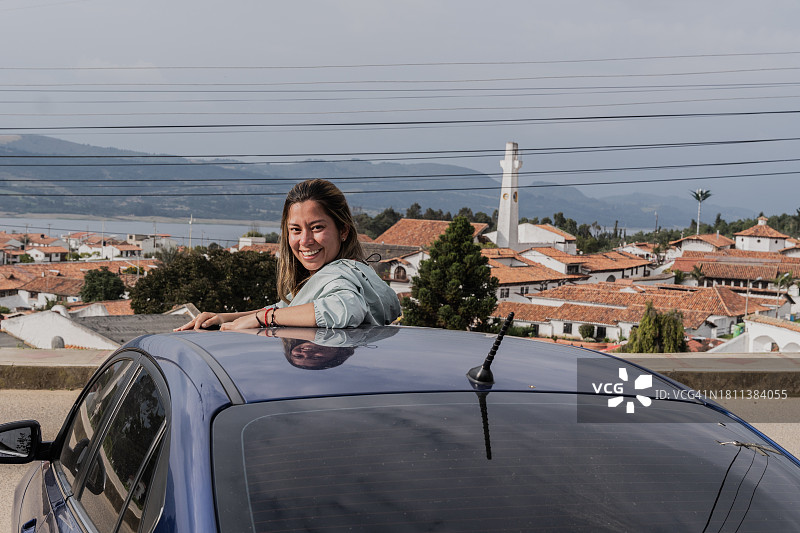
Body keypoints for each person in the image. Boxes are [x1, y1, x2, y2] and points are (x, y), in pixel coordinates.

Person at [175, 179, 401, 331]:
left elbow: (344, 308)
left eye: (317, 227)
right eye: (296, 229)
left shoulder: (339, 276)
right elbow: (285, 310)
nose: (304, 241)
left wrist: (262, 319)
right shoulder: (344, 272)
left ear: (343, 230)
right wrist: (226, 317)